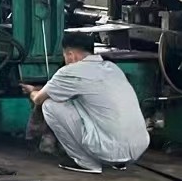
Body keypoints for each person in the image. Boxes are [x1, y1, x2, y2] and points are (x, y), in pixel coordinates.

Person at [20, 31, 150, 173]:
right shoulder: (113, 68)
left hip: (108, 150)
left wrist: (31, 91)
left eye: (64, 56)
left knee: (49, 105)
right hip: (138, 148)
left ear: (70, 55)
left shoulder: (70, 71)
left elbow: (38, 99)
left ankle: (86, 163)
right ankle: (119, 162)